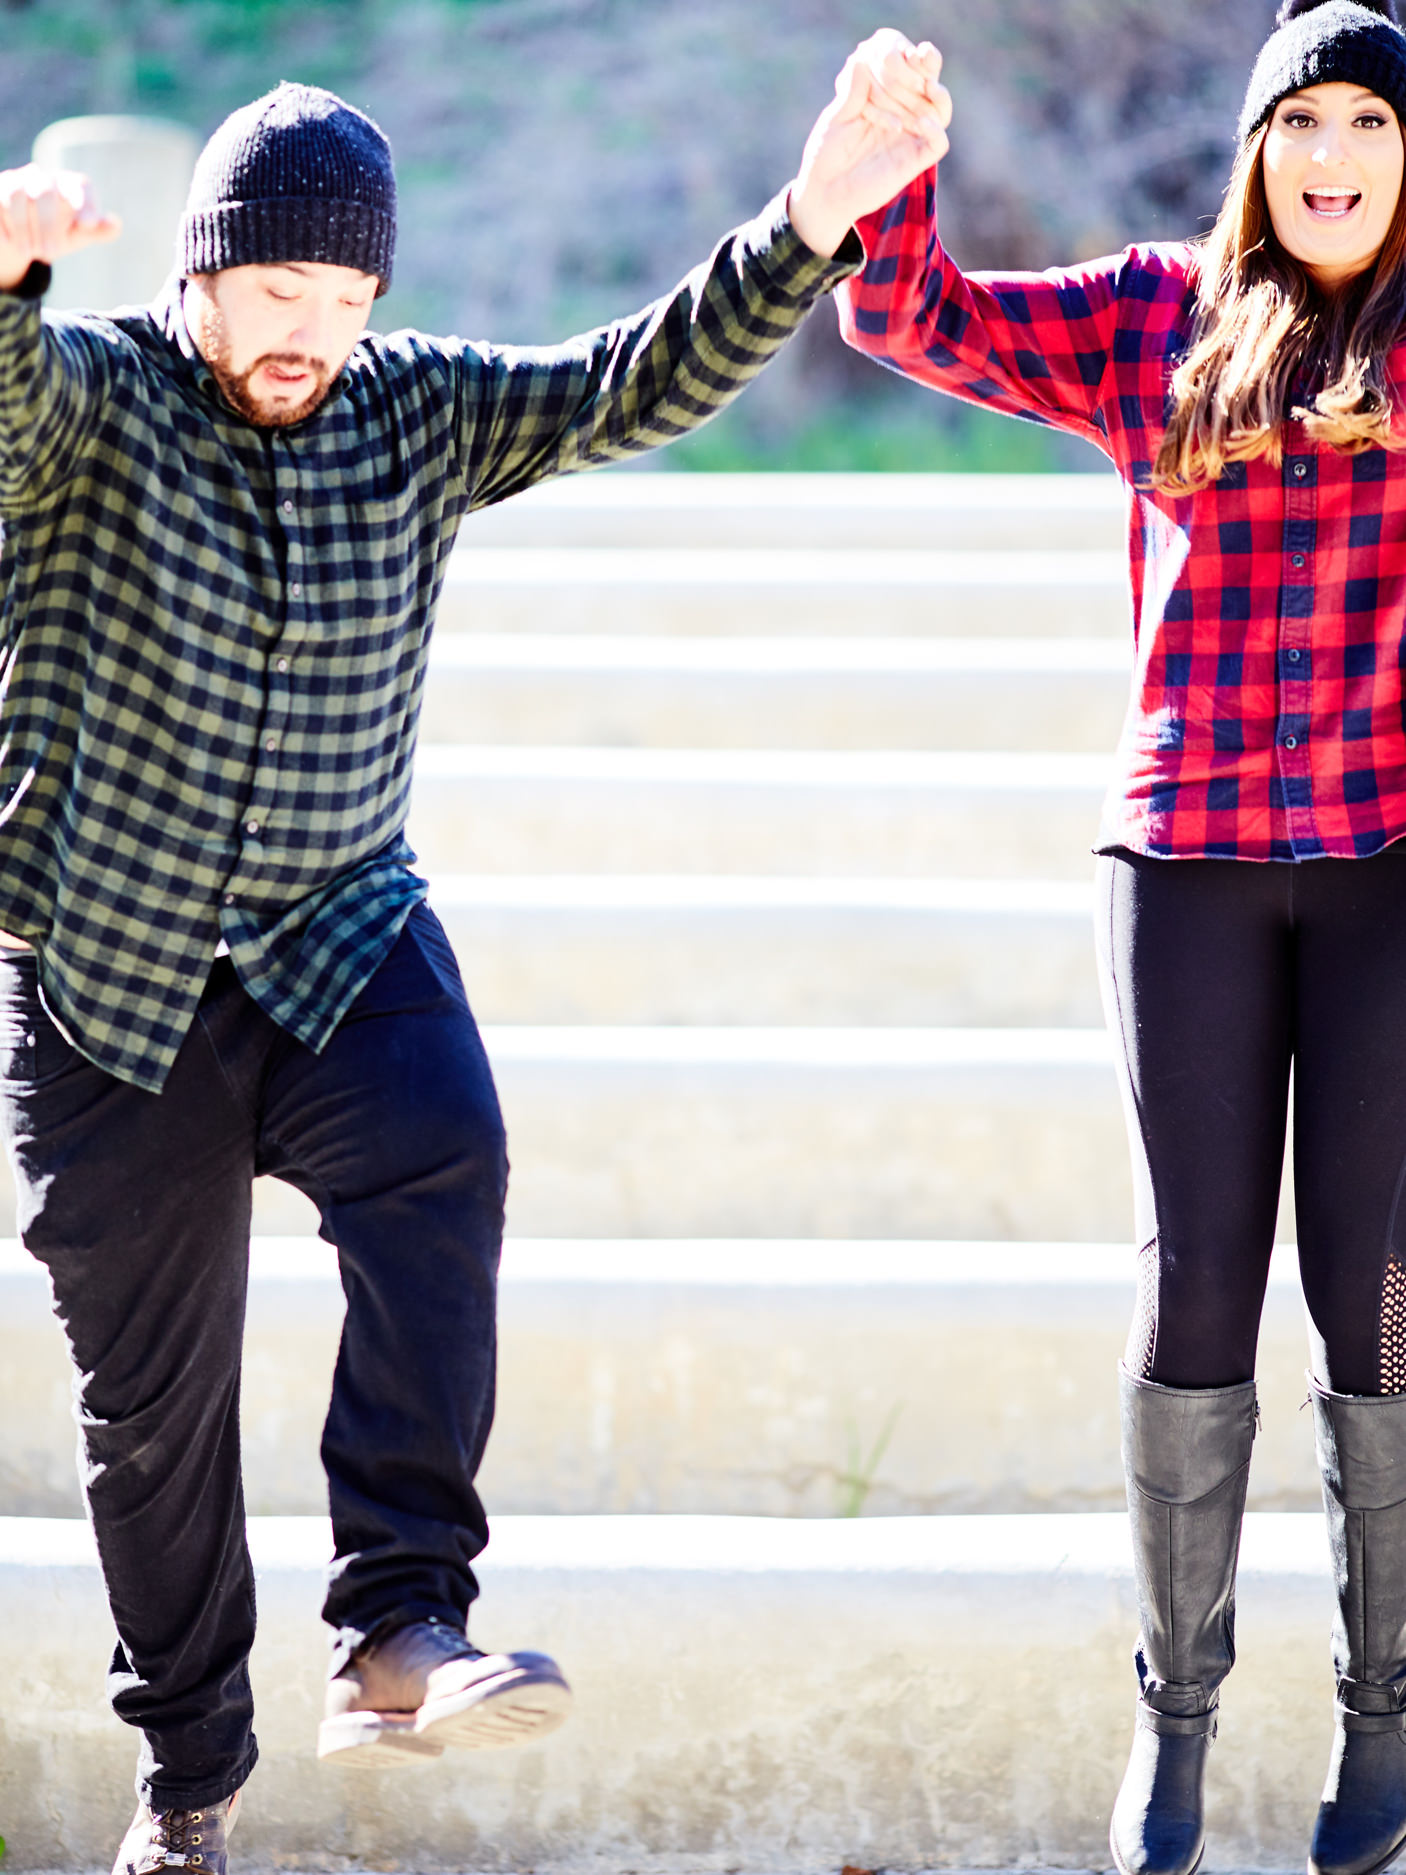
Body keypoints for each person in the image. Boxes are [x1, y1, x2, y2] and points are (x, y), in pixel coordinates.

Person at [0, 45, 946, 1875]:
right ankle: (187, 1781)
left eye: (346, 298)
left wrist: (818, 203)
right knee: (153, 1413)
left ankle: (398, 1630)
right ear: (193, 275)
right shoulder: (98, 399)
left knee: (448, 1155)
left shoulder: (412, 408)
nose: (311, 333)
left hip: (342, 930)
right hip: (112, 975)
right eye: (276, 292)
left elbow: (622, 382)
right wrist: (8, 274)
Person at [835, 5, 1406, 1875]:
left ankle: (1386, 1725)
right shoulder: (1155, 317)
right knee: (1194, 1290)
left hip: (1392, 870)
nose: (1328, 155)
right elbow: (913, 315)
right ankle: (1172, 1725)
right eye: (1295, 121)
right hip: (1185, 865)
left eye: (1366, 124)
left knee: (1380, 1297)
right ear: (1254, 146)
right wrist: (891, 157)